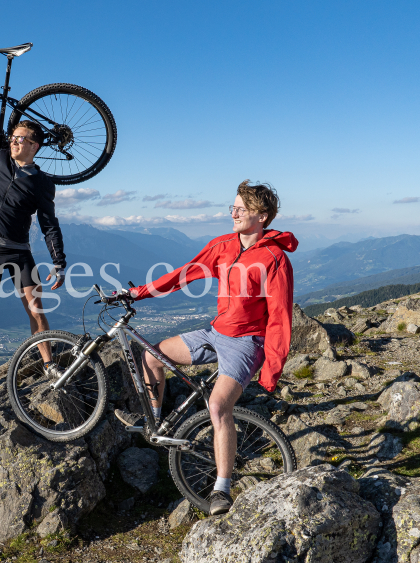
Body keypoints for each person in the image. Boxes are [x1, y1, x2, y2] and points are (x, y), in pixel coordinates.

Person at [117, 180, 297, 515]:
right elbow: (182, 275)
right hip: (215, 333)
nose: (234, 213)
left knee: (217, 408)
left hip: (246, 343)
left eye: (241, 209)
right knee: (151, 356)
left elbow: (281, 318)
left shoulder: (274, 259)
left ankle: (221, 490)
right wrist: (137, 293)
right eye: (234, 207)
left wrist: (271, 371)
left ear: (262, 215)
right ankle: (153, 422)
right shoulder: (223, 245)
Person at [0, 85, 67, 391]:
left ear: (34, 145)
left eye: (19, 138)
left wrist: (59, 262)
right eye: (12, 137)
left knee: (36, 309)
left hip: (19, 252)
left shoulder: (43, 183)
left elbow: (49, 225)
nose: (13, 141)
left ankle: (49, 366)